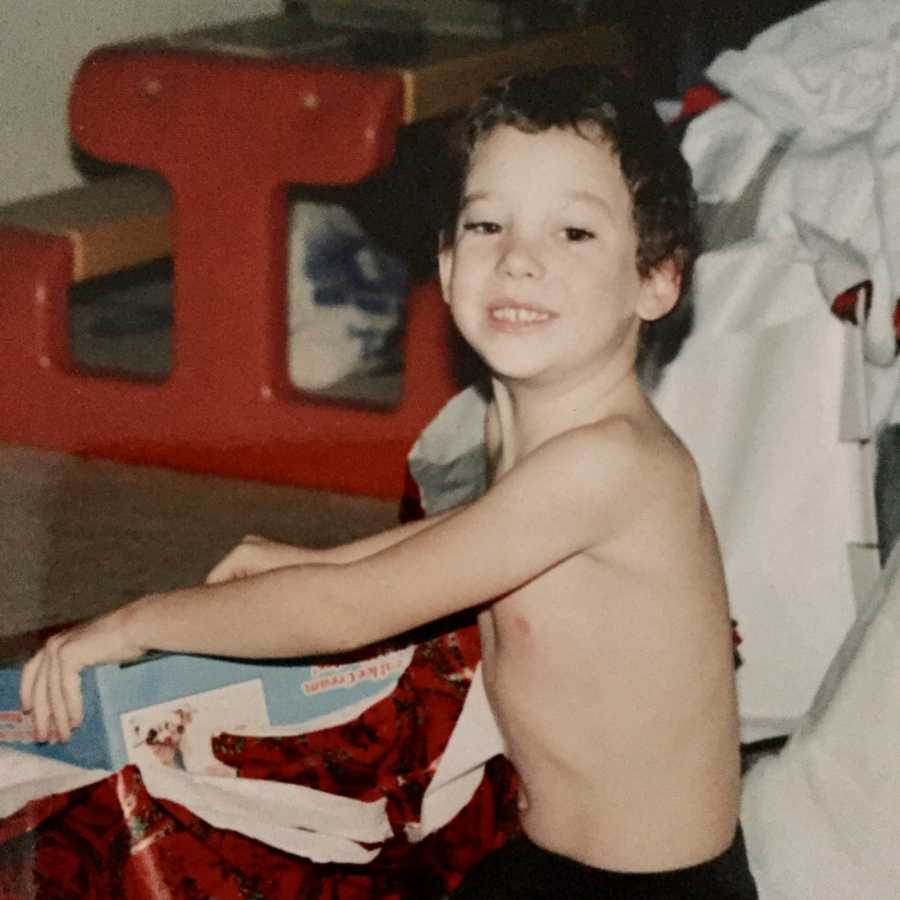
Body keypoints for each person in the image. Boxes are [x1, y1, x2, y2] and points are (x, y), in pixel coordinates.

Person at [20, 65, 757, 898]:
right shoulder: (517, 424)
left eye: (573, 234)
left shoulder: (613, 461)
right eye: (486, 226)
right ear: (445, 264)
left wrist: (132, 625)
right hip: (549, 860)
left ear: (658, 279)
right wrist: (317, 556)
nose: (517, 260)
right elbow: (475, 537)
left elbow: (352, 612)